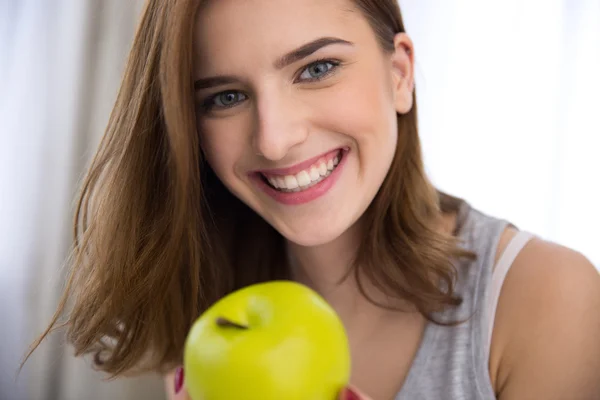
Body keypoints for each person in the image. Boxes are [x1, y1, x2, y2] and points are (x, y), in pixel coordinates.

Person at [27, 0, 600, 399]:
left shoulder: (548, 300)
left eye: (317, 68)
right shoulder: (209, 305)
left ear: (399, 74)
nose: (274, 138)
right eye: (225, 97)